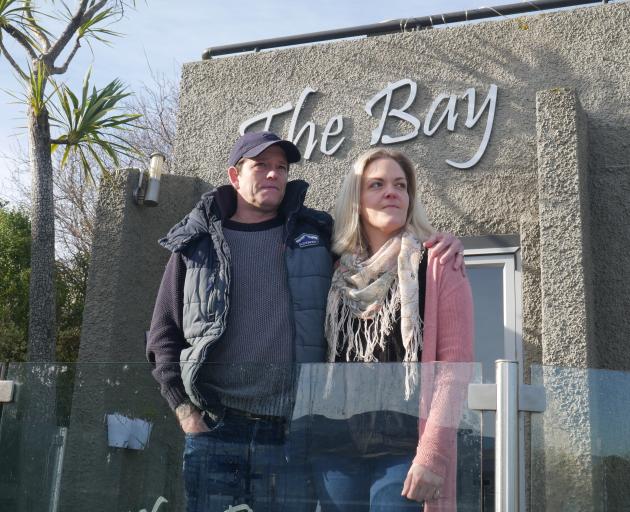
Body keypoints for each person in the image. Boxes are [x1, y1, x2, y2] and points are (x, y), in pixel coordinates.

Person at [146, 132, 465, 512]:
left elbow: (376, 242)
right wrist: (185, 412)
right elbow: (162, 336)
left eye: (281, 167)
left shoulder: (313, 234)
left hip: (290, 432)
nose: (272, 175)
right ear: (234, 175)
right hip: (216, 429)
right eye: (260, 165)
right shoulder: (195, 245)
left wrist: (443, 242)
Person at [316, 148, 474, 512]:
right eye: (377, 184)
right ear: (355, 199)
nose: (392, 192)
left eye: (400, 185)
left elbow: (454, 370)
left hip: (405, 453)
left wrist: (432, 456)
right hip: (335, 453)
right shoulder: (333, 269)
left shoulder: (437, 263)